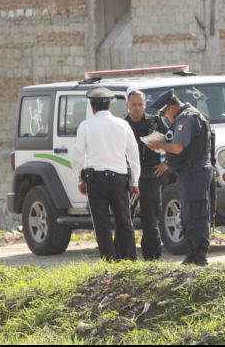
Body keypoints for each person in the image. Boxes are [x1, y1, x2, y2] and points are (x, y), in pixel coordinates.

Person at [72, 87, 141, 262]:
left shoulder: (85, 126)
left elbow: (77, 156)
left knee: (101, 224)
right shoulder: (123, 125)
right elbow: (133, 155)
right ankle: (129, 259)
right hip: (119, 180)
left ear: (92, 107)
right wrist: (134, 182)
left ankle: (109, 261)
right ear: (110, 105)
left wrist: (80, 180)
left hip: (96, 181)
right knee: (124, 221)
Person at [146, 89, 212, 266]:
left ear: (172, 107)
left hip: (194, 172)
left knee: (197, 212)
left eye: (165, 114)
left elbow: (178, 147)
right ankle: (192, 253)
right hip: (188, 172)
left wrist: (160, 144)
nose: (166, 118)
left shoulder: (187, 118)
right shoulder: (186, 117)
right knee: (187, 213)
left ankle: (200, 254)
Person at [125, 90, 168, 261]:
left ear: (145, 105)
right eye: (134, 104)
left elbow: (175, 141)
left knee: (151, 221)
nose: (137, 108)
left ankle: (152, 259)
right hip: (128, 179)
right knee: (125, 219)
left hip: (150, 176)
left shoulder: (155, 122)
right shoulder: (121, 125)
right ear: (127, 105)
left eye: (140, 104)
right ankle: (126, 257)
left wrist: (167, 163)